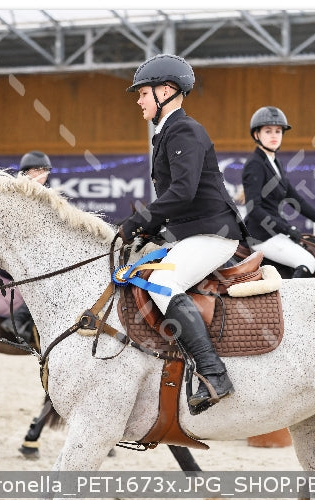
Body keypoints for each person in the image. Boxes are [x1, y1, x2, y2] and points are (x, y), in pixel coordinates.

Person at [120, 54, 248, 415]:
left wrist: (138, 221)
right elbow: (179, 201)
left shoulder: (184, 130)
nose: (139, 101)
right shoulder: (167, 133)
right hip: (193, 232)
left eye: (142, 93)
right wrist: (150, 230)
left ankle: (213, 373)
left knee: (162, 283)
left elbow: (183, 192)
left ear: (165, 91)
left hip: (213, 233)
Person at [241, 106, 315, 278]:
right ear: (256, 135)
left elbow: (298, 202)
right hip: (261, 236)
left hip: (275, 233)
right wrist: (287, 228)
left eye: (278, 131)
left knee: (311, 253)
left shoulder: (276, 164)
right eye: (268, 131)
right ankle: (290, 297)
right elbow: (254, 209)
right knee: (307, 261)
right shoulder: (255, 164)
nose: (274, 135)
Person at [0, 150, 53, 343]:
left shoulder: (48, 197)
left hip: (38, 250)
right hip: (16, 251)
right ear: (26, 172)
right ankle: (18, 319)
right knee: (45, 281)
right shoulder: (17, 195)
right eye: (36, 170)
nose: (41, 174)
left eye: (44, 170)